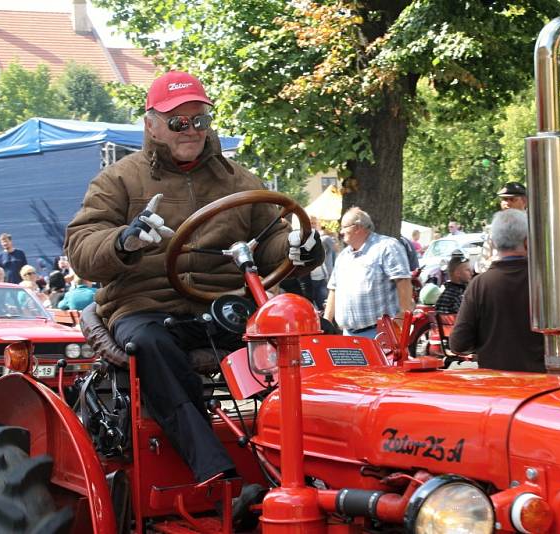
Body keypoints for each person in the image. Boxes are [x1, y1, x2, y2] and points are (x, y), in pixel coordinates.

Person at [65, 71, 323, 484]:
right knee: (150, 344)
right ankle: (216, 471)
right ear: (151, 124)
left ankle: (324, 454)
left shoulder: (239, 180)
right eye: (177, 122)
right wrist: (124, 241)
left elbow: (272, 239)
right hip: (145, 305)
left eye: (199, 120)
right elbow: (81, 247)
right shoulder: (118, 179)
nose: (190, 130)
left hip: (226, 306)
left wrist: (299, 247)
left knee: (315, 332)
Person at [449, 209, 544, 372]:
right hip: (543, 384)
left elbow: (459, 343)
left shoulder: (479, 284)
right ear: (528, 242)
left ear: (493, 243)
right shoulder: (545, 282)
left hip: (496, 386)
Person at [324, 207, 412, 338]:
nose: (341, 232)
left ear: (358, 227)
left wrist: (402, 318)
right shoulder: (343, 256)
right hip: (348, 334)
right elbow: (334, 289)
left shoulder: (386, 247)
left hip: (380, 334)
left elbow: (403, 280)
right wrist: (326, 323)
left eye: (344, 227)